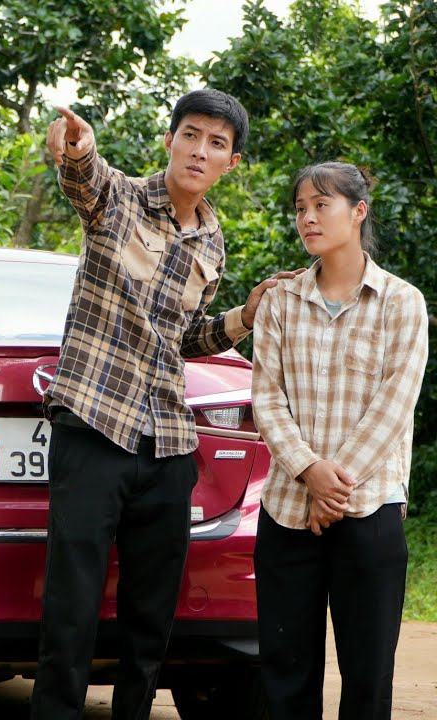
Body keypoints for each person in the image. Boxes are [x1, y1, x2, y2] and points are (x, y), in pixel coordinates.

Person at [31, 89, 293, 720]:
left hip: (168, 443)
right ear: (170, 139)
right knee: (72, 607)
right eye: (191, 135)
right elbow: (82, 175)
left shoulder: (213, 242)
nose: (200, 150)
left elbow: (181, 337)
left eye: (217, 143)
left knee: (152, 621)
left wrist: (243, 318)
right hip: (94, 426)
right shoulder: (117, 197)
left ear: (231, 162)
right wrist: (78, 148)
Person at [250, 162, 425, 719]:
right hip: (286, 513)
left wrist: (334, 485)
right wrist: (309, 472)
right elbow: (266, 400)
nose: (307, 217)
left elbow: (396, 404)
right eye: (300, 208)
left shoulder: (402, 303)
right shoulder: (280, 302)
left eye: (321, 204)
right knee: (285, 671)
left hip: (369, 509)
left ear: (358, 211)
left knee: (367, 674)